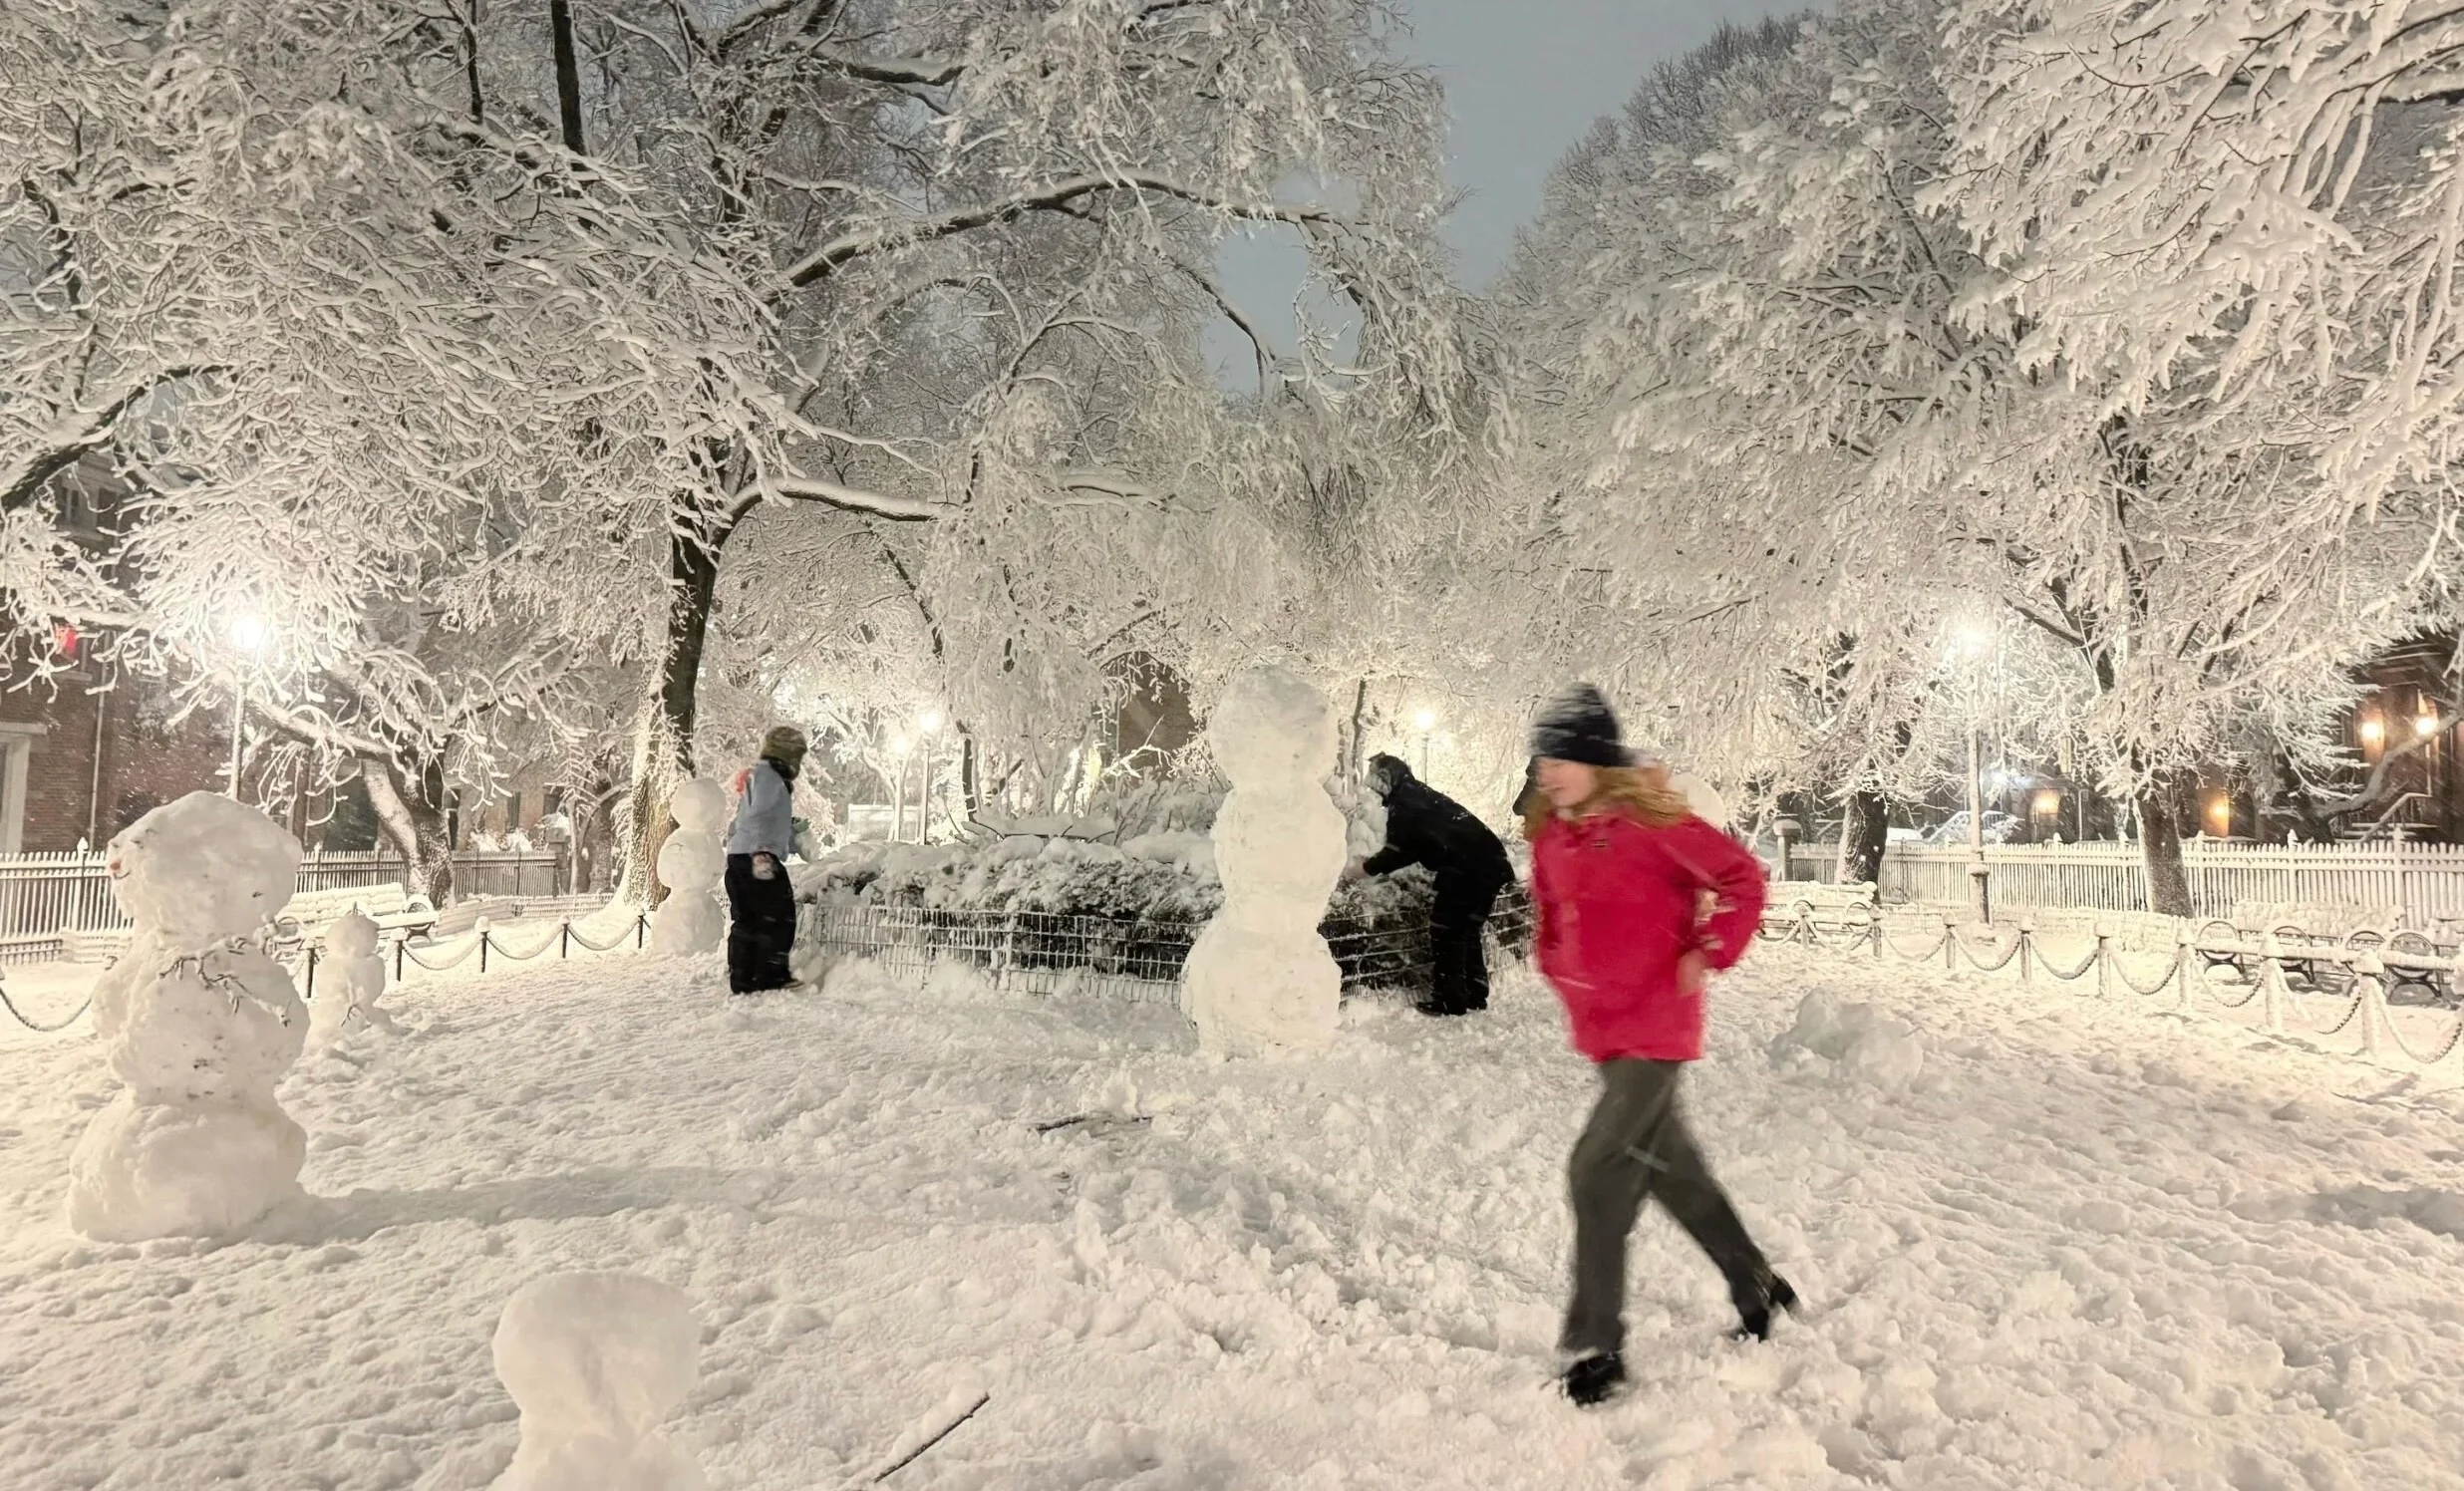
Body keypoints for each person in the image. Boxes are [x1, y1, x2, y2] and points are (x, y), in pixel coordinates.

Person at [1523, 684, 1794, 1406]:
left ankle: (1595, 1343)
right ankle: (1754, 1280)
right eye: (1543, 760)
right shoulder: (1551, 835)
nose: (1549, 773)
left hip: (1657, 1026)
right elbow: (1549, 909)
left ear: (1597, 761)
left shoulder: (1650, 822)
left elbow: (1743, 879)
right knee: (1673, 1172)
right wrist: (1555, 962)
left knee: (1595, 1171)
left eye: (1563, 759)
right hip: (1603, 1031)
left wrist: (1709, 950)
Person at [1350, 752, 1513, 1016]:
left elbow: (1398, 850)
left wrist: (1364, 869)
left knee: (1446, 932)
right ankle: (1474, 993)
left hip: (1468, 869)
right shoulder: (1418, 796)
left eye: (1377, 783)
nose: (1376, 792)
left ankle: (1450, 1000)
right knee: (1465, 930)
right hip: (1486, 864)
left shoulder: (1406, 803)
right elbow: (1413, 847)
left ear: (1386, 779)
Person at [723, 726, 807, 995]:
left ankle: (743, 977)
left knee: (747, 918)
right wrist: (763, 851)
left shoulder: (759, 776)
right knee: (777, 915)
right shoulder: (769, 778)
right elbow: (759, 813)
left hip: (740, 854)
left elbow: (744, 820)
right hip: (758, 856)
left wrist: (789, 833)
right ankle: (770, 975)